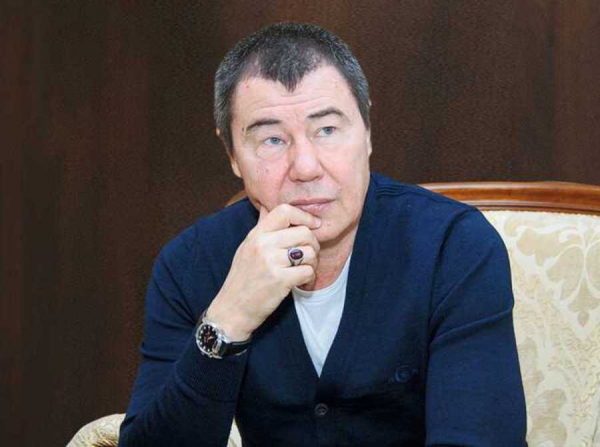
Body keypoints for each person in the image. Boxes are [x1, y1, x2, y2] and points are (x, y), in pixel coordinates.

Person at [119, 22, 527, 446]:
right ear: (232, 155)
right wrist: (230, 318)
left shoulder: (453, 246)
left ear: (366, 131)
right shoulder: (189, 264)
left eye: (327, 130)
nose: (306, 167)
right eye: (272, 140)